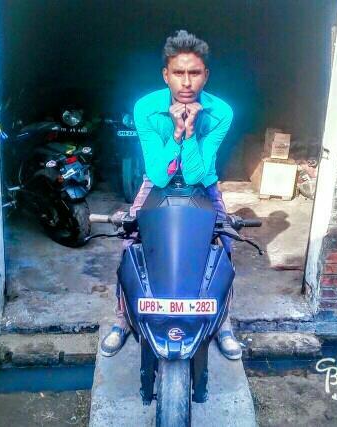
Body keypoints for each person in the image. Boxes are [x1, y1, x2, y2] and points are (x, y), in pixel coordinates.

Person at [100, 29, 242, 360]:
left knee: (224, 247)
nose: (187, 82)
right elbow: (160, 174)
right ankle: (123, 318)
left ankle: (222, 323)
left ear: (206, 75)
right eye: (179, 73)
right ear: (166, 75)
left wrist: (189, 134)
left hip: (203, 184)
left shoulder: (221, 112)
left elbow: (194, 174)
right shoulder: (146, 108)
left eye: (195, 73)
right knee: (129, 244)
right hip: (156, 183)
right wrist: (177, 132)